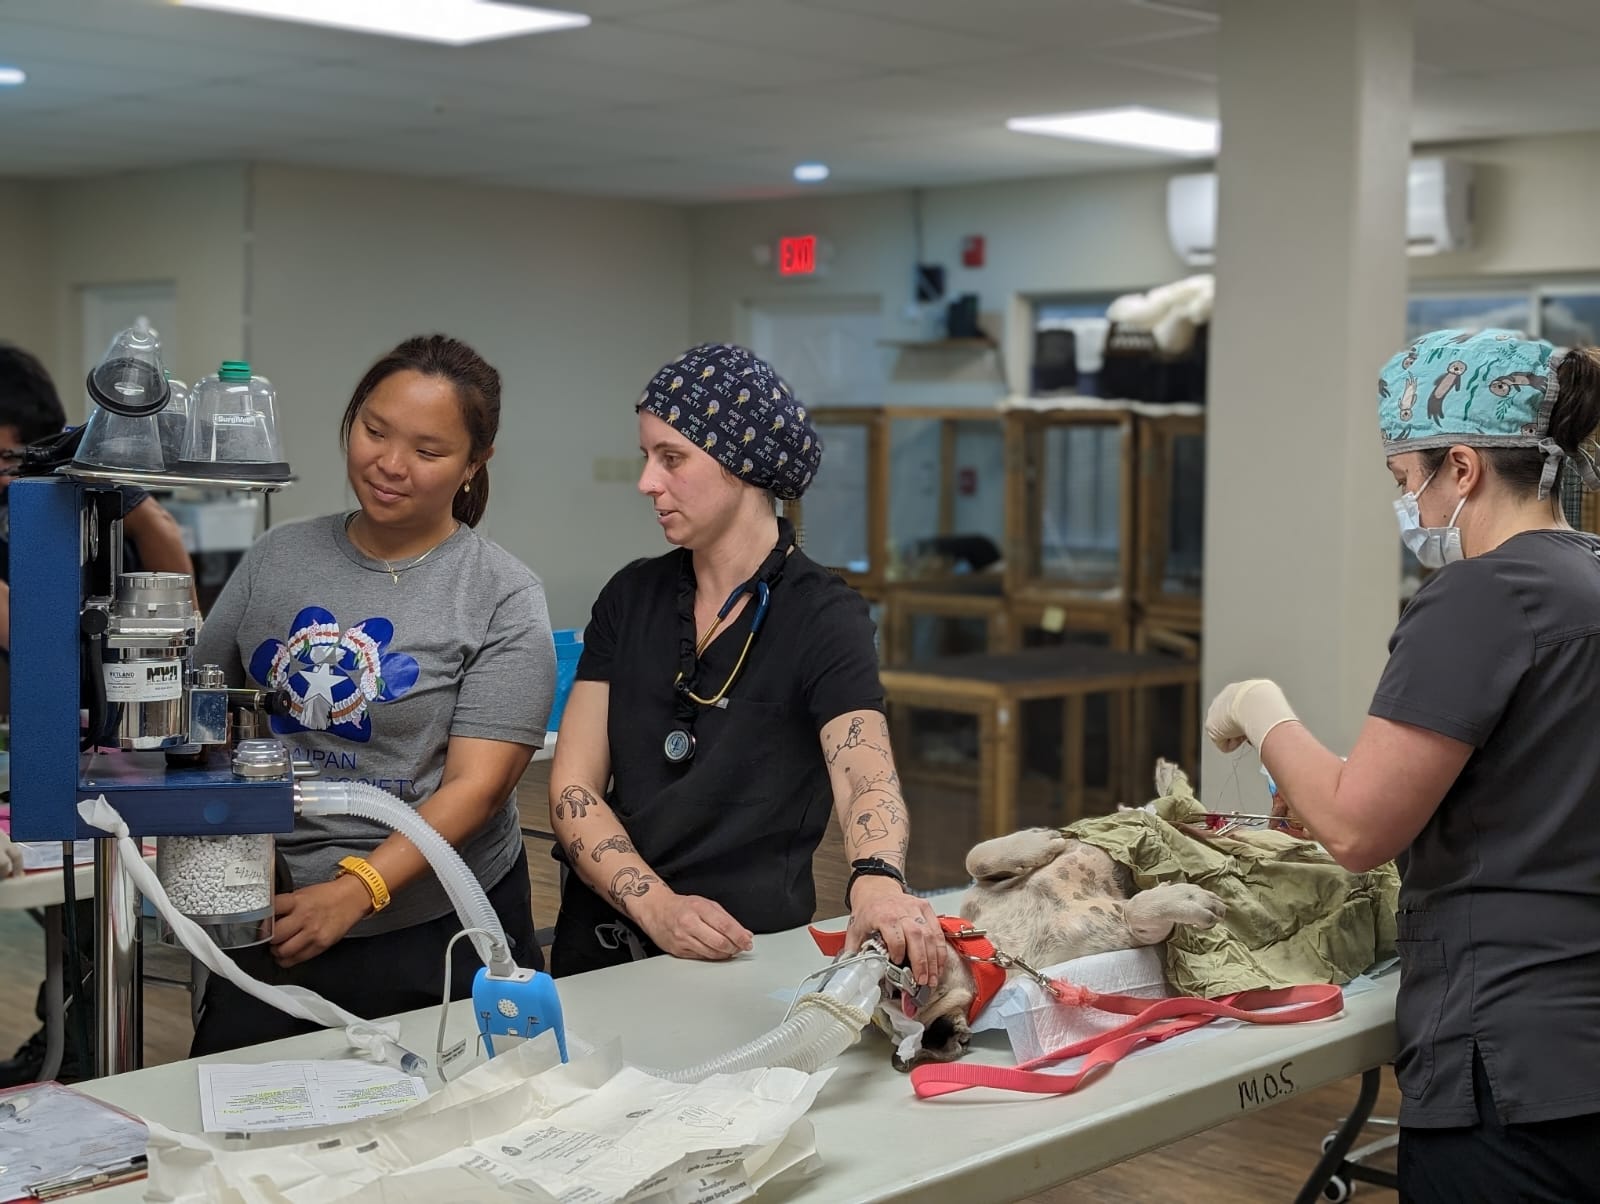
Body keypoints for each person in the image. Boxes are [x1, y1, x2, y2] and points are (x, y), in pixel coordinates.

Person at [1205, 327, 1600, 1203]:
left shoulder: (1483, 593)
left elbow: (1354, 827)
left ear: (1461, 468)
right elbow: (1534, 776)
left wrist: (1259, 711)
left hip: (1512, 1055)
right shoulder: (1587, 583)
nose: (1412, 511)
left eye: (1406, 481)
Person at [188, 334, 554, 1054]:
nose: (389, 464)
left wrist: (353, 892)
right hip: (276, 909)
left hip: (434, 922)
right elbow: (204, 708)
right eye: (373, 430)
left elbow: (475, 789)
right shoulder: (277, 556)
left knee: (452, 1125)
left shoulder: (501, 593)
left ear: (475, 463)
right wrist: (238, 842)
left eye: (427, 450)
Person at [549, 343, 947, 989]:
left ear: (742, 466)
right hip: (601, 951)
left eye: (672, 458)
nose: (648, 482)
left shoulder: (822, 616)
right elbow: (573, 790)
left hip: (745, 960)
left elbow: (863, 773)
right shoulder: (630, 597)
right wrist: (657, 908)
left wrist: (877, 881)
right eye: (647, 457)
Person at [0, 342, 198, 1086]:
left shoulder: (67, 484)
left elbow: (167, 547)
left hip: (89, 720)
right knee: (62, 908)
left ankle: (78, 1054)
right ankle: (68, 1044)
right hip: (34, 723)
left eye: (7, 457)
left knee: (82, 898)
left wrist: (174, 626)